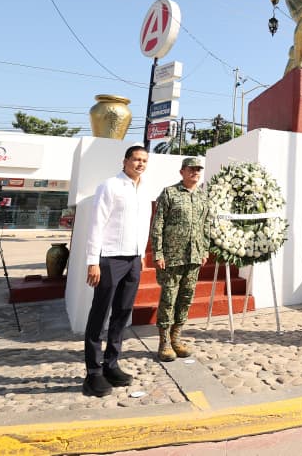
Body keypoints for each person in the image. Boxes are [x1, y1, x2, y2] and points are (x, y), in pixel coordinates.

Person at [82, 145, 153, 398]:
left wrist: (142, 255)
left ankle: (111, 365)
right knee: (100, 314)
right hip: (110, 259)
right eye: (136, 159)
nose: (140, 164)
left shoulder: (144, 190)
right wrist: (93, 261)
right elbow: (96, 224)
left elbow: (144, 226)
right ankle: (93, 372)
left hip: (133, 259)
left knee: (122, 314)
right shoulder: (110, 186)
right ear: (125, 161)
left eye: (144, 160)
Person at [150, 156, 212, 362]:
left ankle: (176, 338)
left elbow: (206, 226)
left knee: (186, 299)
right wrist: (158, 253)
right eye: (191, 169)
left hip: (194, 257)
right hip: (171, 258)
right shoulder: (170, 193)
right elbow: (157, 225)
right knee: (168, 299)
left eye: (198, 169)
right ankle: (164, 342)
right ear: (182, 172)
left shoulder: (203, 197)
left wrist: (204, 251)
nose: (195, 172)